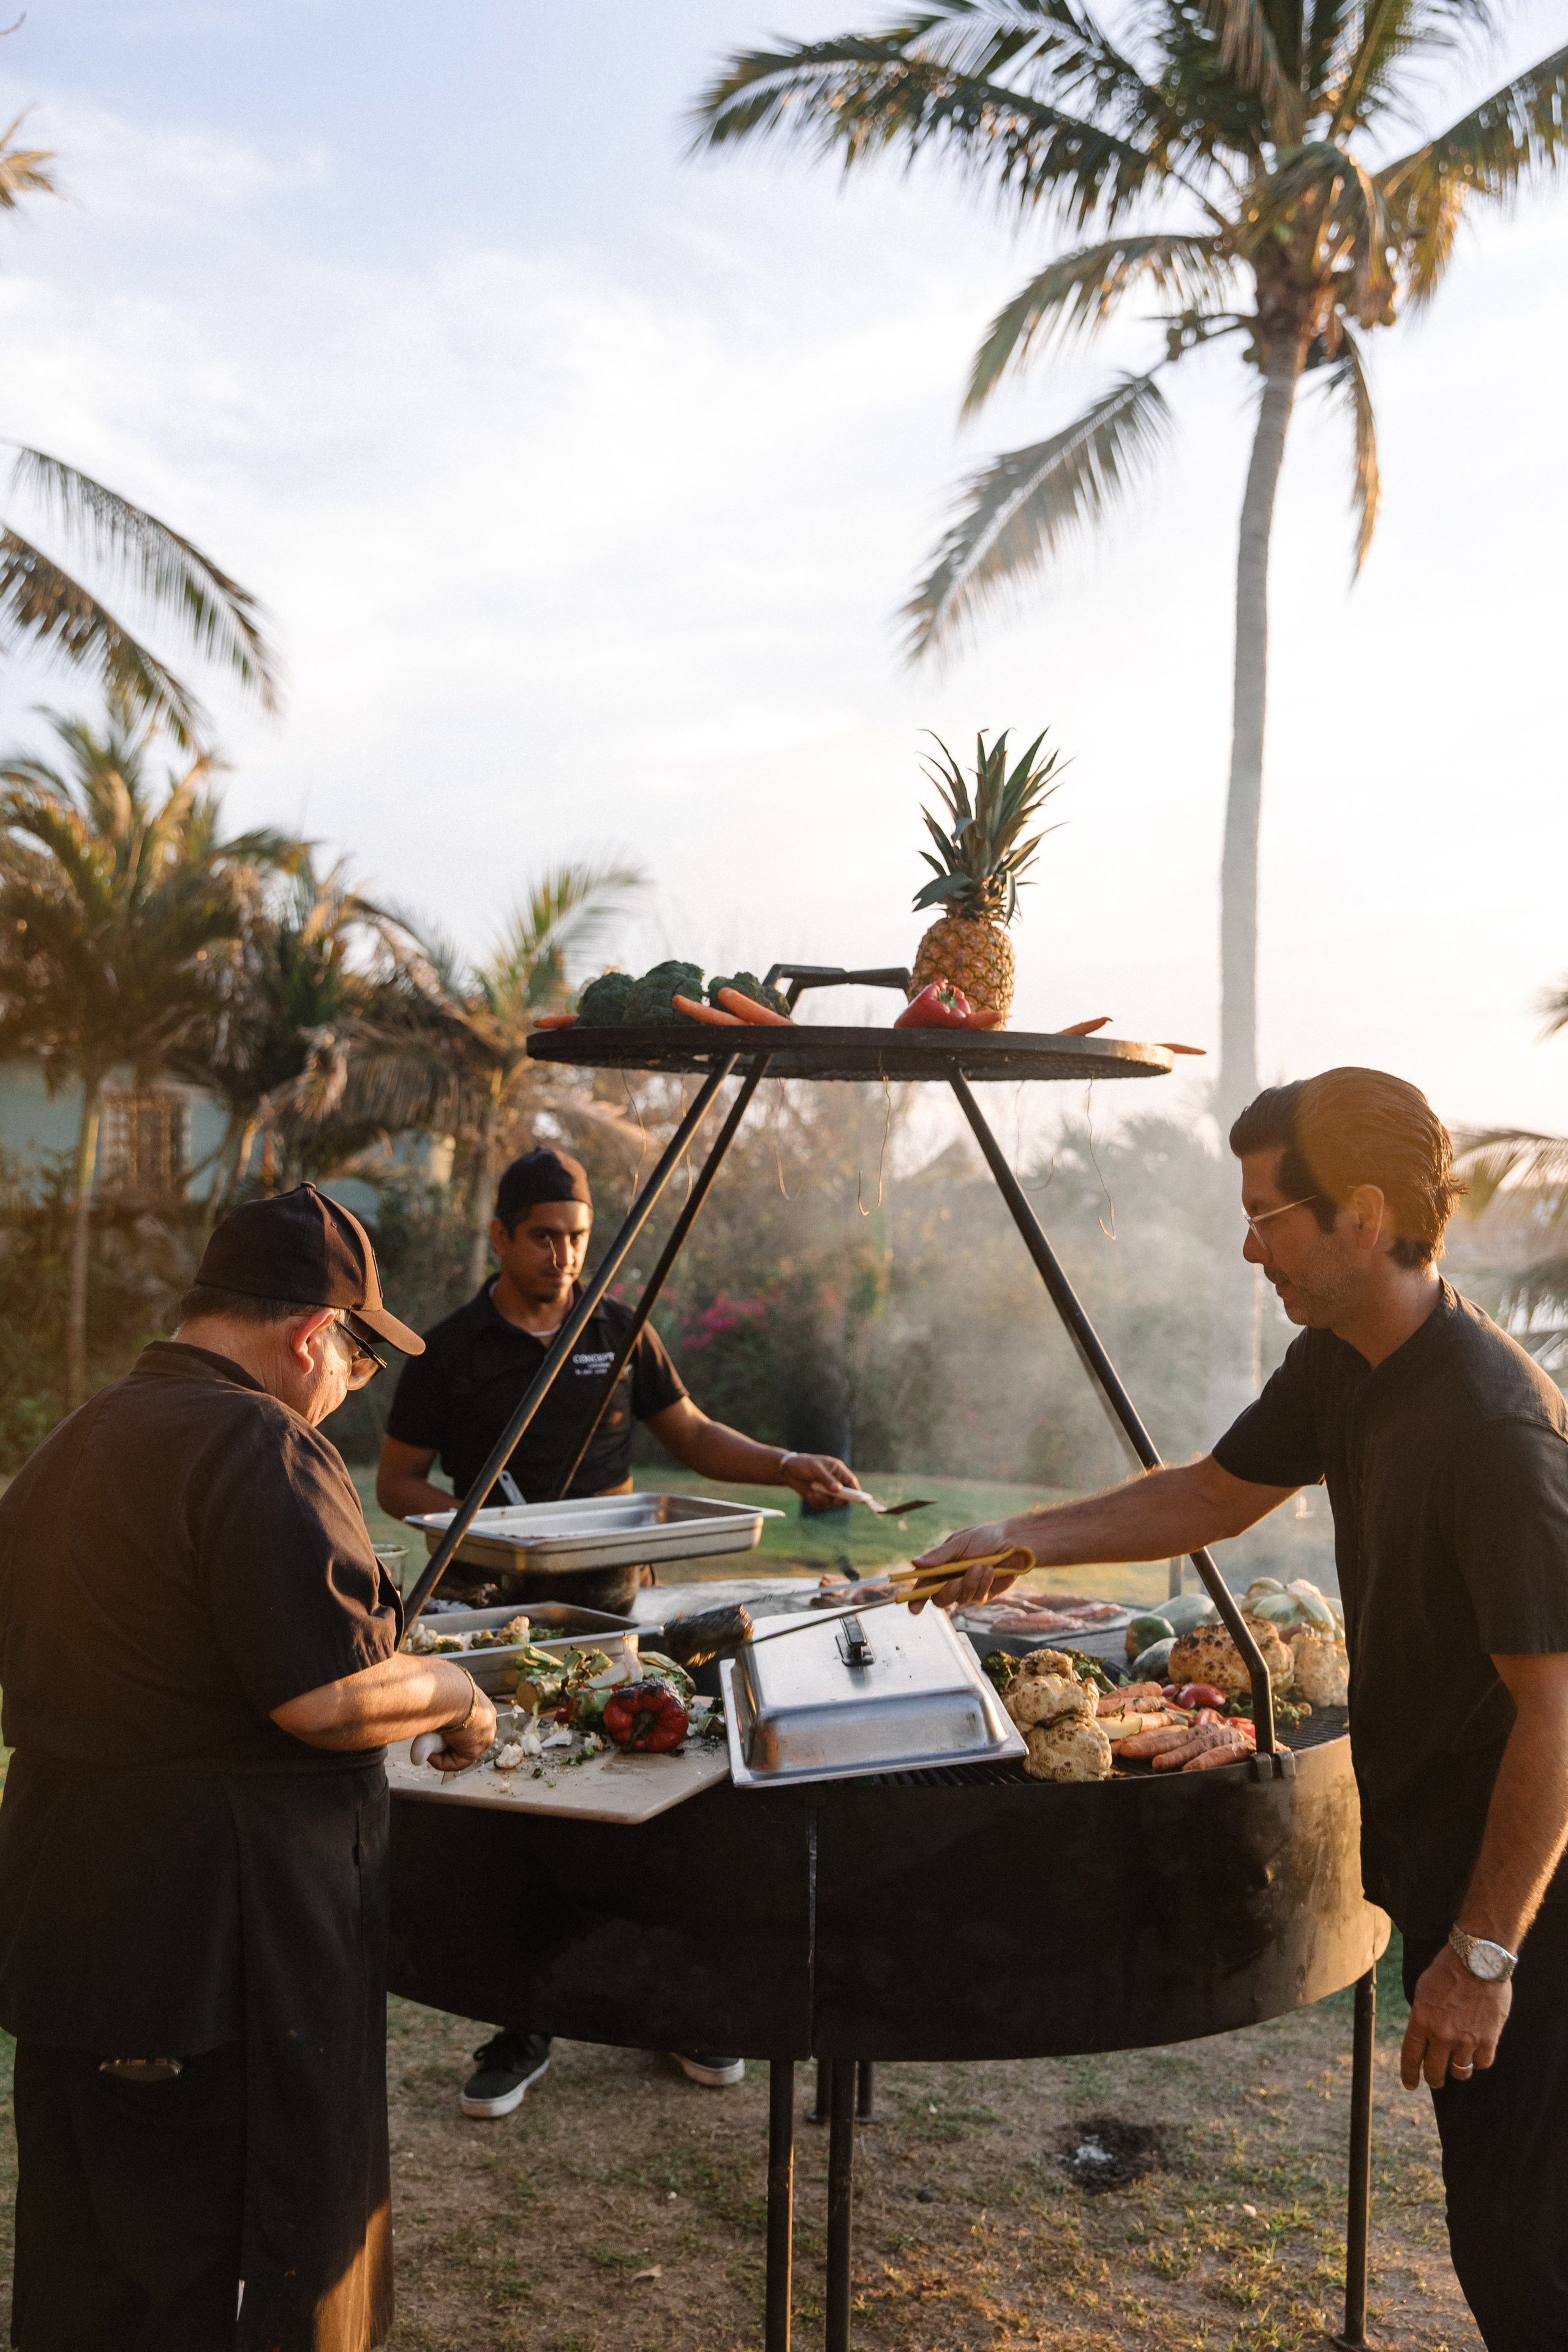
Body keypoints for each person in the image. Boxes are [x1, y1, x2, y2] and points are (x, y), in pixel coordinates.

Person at [914, 1066, 1568, 2352]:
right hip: (1462, 1883)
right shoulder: (1340, 1362)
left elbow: (1556, 1717)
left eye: (1269, 1214)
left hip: (1539, 1912)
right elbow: (1213, 1495)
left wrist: (1481, 1958)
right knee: (1505, 2236)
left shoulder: (1494, 1430)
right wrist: (1018, 1541)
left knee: (1527, 2264)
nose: (1246, 1242)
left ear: (1362, 1218)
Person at [0, 1185, 498, 2352]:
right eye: (359, 1361)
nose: (349, 1390)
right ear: (311, 1334)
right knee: (222, 2295)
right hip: (213, 1970)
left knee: (94, 2285)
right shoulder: (261, 1439)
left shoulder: (75, 1438)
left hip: (69, 1949)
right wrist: (459, 1689)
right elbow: (324, 1700)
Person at [377, 1143, 858, 2117]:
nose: (563, 1256)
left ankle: (676, 2004)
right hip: (497, 1610)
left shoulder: (616, 1330)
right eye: (545, 1237)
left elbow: (690, 1435)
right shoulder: (450, 1349)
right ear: (502, 1236)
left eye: (578, 1238)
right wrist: (489, 1530)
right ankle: (525, 2018)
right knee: (526, 1806)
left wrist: (785, 1461)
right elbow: (396, 1481)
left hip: (618, 1605)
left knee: (651, 1794)